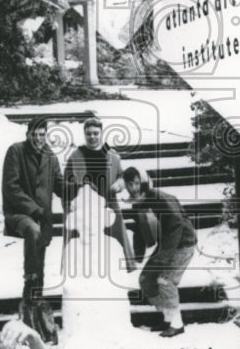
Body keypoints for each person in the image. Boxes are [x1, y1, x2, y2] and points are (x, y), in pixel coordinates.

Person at [1, 118, 63, 326]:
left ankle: (32, 310)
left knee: (41, 263)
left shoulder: (50, 157)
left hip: (43, 219)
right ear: (27, 134)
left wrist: (80, 185)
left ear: (46, 135)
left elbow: (60, 185)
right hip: (19, 214)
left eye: (42, 134)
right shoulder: (15, 151)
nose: (38, 139)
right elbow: (11, 187)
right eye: (34, 134)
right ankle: (30, 277)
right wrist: (33, 208)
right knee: (32, 230)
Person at [123, 166, 197, 337]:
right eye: (129, 184)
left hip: (182, 244)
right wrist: (138, 255)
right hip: (165, 244)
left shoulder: (159, 197)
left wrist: (164, 256)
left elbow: (176, 224)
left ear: (142, 182)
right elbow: (139, 230)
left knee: (165, 280)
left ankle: (177, 324)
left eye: (136, 183)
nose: (133, 188)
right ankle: (167, 318)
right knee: (146, 279)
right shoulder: (137, 203)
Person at [63, 116, 133, 265]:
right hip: (84, 206)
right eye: (89, 133)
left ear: (101, 133)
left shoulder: (112, 155)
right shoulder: (76, 156)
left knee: (114, 241)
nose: (92, 137)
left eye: (95, 133)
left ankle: (117, 267)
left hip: (108, 202)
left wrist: (119, 184)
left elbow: (122, 175)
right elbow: (66, 181)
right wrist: (76, 189)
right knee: (82, 245)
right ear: (84, 134)